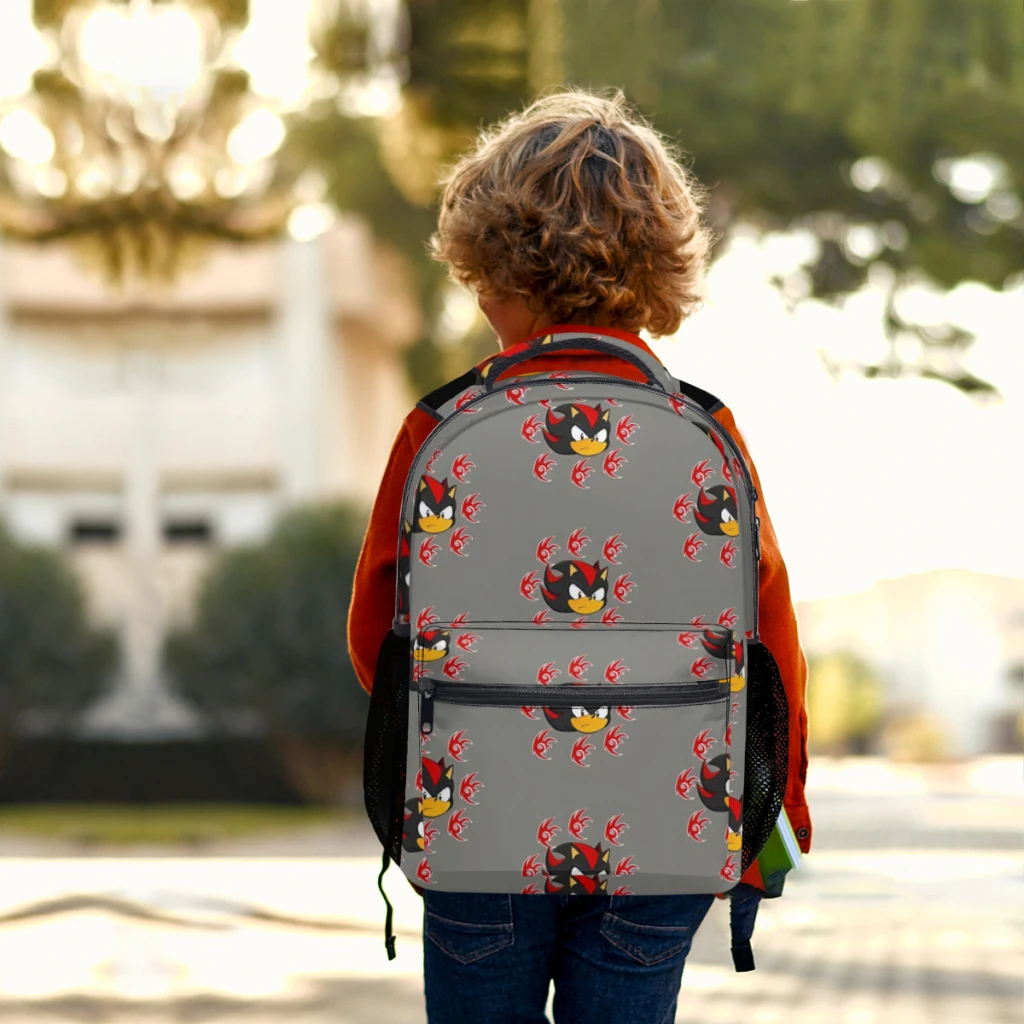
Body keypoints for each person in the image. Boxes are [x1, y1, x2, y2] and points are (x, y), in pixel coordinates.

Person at [348, 88, 810, 1024]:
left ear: (497, 268)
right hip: (663, 830)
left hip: (478, 822)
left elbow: (375, 636)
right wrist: (776, 814)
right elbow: (769, 642)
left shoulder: (440, 426)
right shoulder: (706, 428)